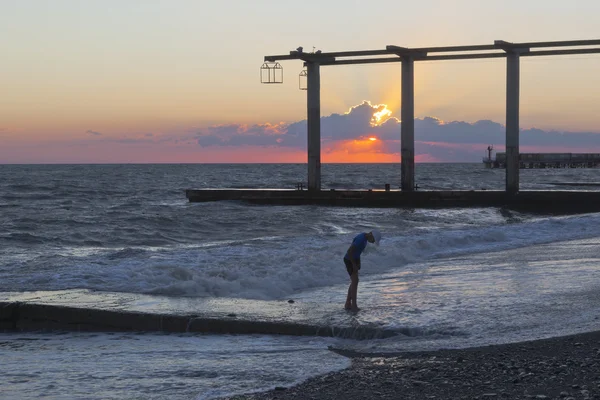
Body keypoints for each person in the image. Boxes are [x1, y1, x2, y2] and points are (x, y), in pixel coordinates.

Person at [343, 229, 381, 311]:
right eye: (373, 240)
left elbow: (358, 251)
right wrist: (353, 264)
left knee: (355, 281)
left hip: (355, 259)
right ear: (371, 235)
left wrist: (358, 262)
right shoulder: (361, 239)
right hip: (349, 259)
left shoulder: (364, 237)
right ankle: (354, 306)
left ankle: (348, 303)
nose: (373, 242)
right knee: (355, 281)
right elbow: (349, 252)